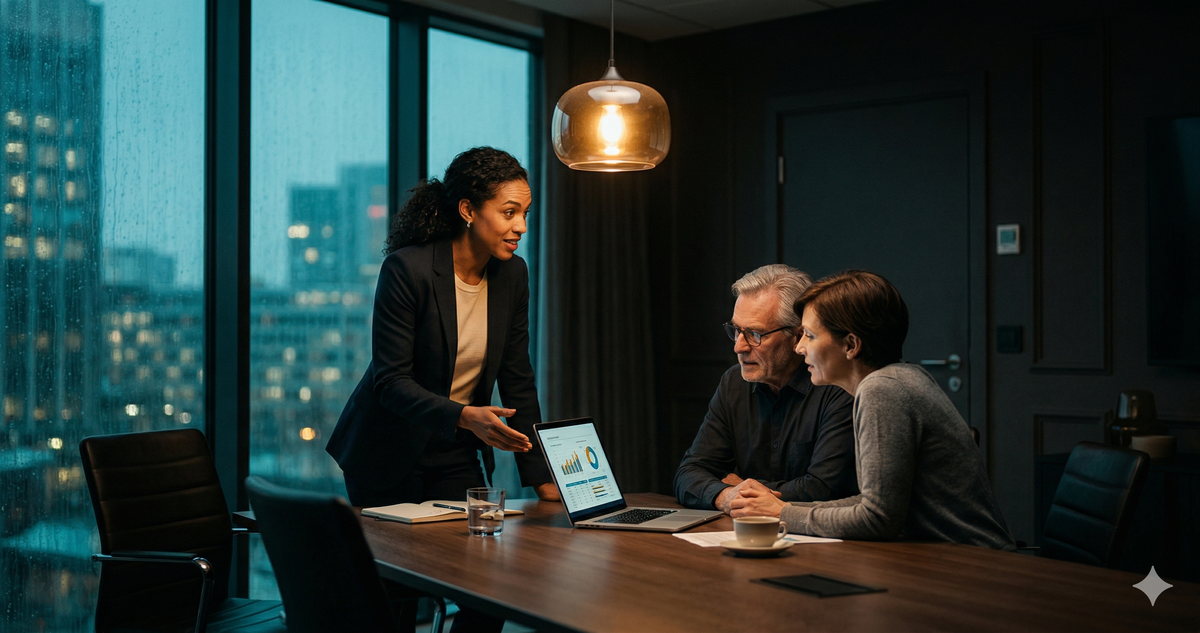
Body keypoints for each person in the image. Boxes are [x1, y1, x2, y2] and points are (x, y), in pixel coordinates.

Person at [326, 147, 558, 632]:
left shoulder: (513, 274)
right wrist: (464, 415)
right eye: (509, 213)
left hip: (453, 452)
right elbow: (390, 382)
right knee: (397, 598)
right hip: (386, 450)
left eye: (526, 214)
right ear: (469, 210)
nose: (521, 227)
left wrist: (541, 473)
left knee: (486, 585)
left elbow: (518, 377)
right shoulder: (407, 269)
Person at [730, 270, 1015, 550]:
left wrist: (781, 513)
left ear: (851, 345)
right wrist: (783, 507)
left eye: (810, 336)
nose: (800, 347)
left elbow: (878, 519)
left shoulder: (882, 390)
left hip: (974, 565)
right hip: (938, 557)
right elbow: (872, 503)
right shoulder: (899, 378)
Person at [674, 264, 857, 514]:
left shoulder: (836, 383)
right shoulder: (733, 383)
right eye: (736, 331)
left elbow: (824, 489)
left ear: (797, 335)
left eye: (755, 334)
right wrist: (726, 495)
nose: (739, 347)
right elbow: (688, 472)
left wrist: (743, 487)